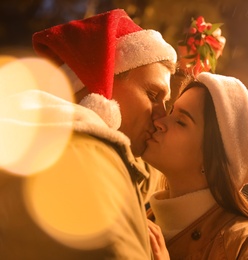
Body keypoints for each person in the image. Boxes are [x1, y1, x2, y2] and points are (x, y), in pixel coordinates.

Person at [0, 9, 176, 259]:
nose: (162, 117)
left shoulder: (64, 145)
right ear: (101, 91)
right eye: (152, 95)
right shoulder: (88, 160)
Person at [142, 72, 248, 259]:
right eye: (171, 111)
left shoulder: (247, 243)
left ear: (213, 157)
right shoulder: (143, 219)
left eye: (181, 122)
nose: (159, 122)